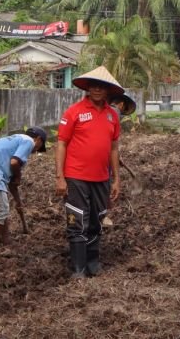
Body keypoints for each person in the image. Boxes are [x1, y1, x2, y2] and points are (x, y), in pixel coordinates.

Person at [56, 66, 124, 278]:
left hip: (101, 178)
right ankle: (78, 268)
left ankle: (93, 263)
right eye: (93, 86)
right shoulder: (73, 112)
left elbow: (113, 148)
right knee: (77, 221)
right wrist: (60, 177)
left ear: (107, 91)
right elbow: (61, 144)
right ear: (87, 88)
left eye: (101, 87)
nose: (96, 89)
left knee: (96, 220)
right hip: (76, 176)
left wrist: (116, 179)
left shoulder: (112, 116)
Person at [103, 93, 137, 228]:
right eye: (124, 109)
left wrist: (117, 156)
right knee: (105, 183)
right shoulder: (114, 112)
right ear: (121, 104)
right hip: (104, 155)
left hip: (100, 153)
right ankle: (102, 216)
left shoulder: (104, 110)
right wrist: (114, 157)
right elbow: (110, 139)